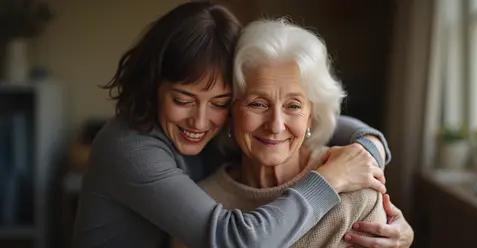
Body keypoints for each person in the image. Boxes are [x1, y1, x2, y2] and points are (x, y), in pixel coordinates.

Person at [72, 2, 398, 248]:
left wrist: (369, 147)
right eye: (183, 99)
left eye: (219, 102)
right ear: (153, 86)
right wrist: (328, 179)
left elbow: (309, 120)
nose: (200, 121)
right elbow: (234, 240)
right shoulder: (130, 147)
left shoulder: (216, 131)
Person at [172, 18, 408, 248]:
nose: (275, 125)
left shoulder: (356, 187)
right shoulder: (201, 208)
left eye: (293, 106)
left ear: (311, 116)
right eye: (257, 104)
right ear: (230, 109)